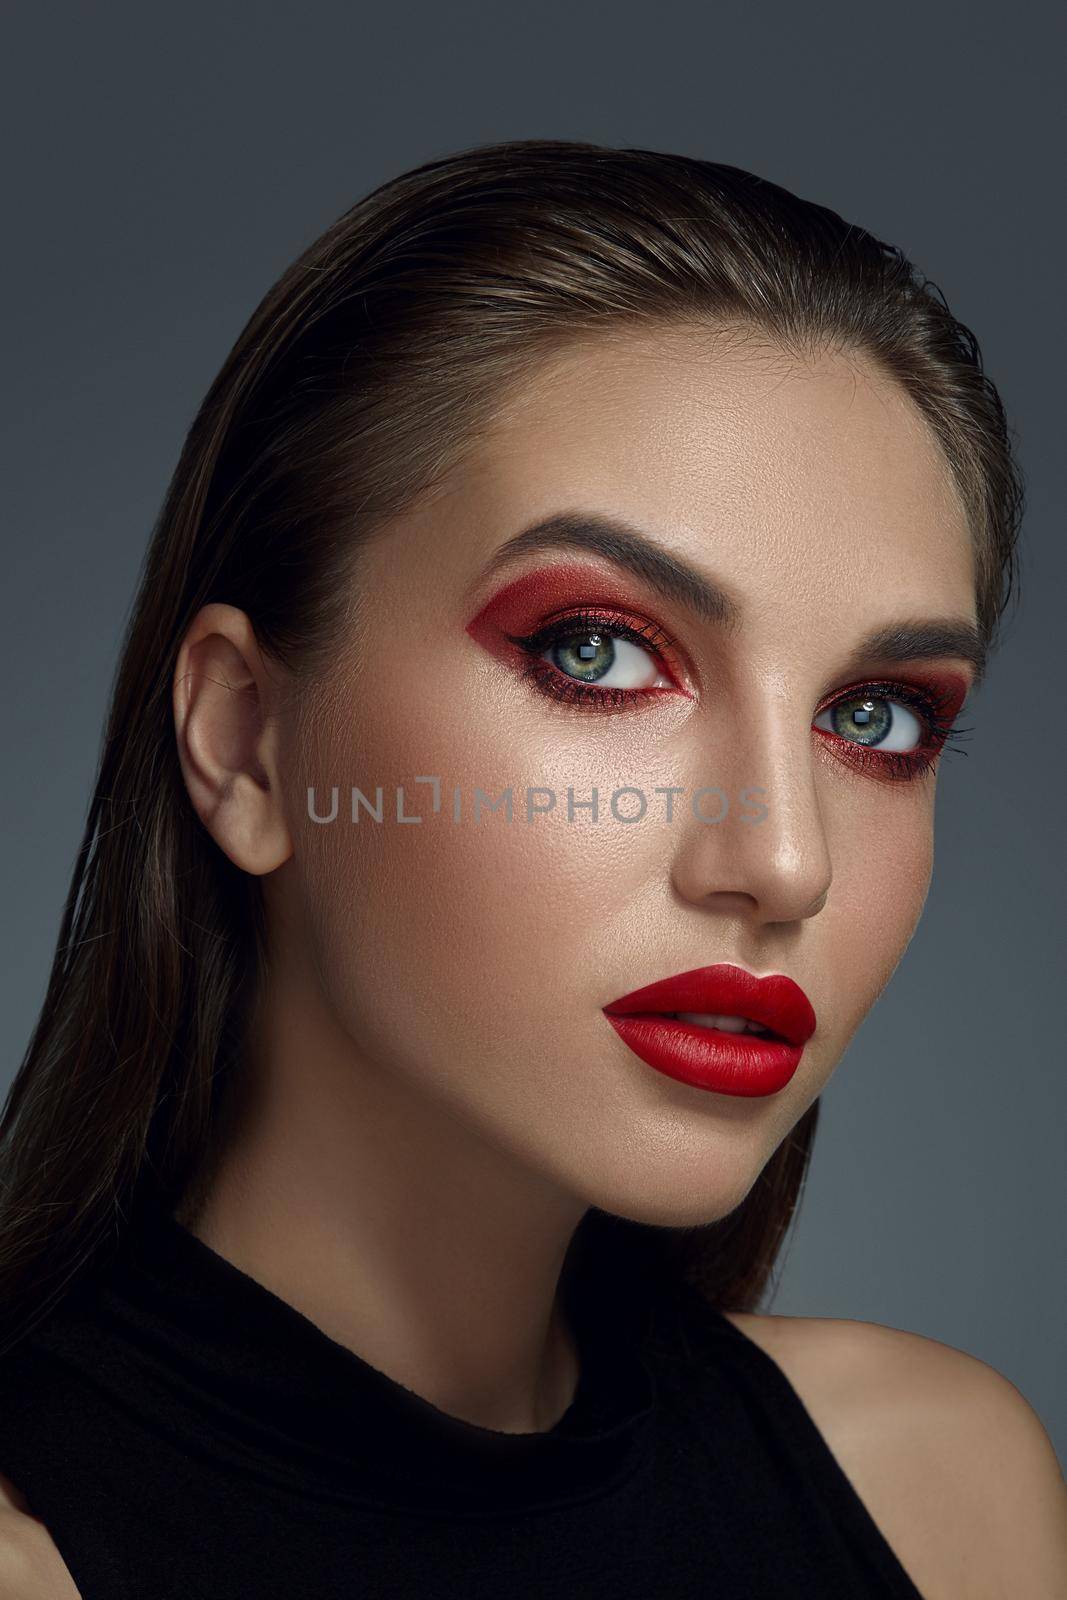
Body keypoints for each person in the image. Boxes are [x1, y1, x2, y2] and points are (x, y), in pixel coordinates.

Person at [0, 138, 1063, 1599]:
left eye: (875, 719)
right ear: (249, 743)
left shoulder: (945, 1499)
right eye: (597, 651)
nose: (783, 860)